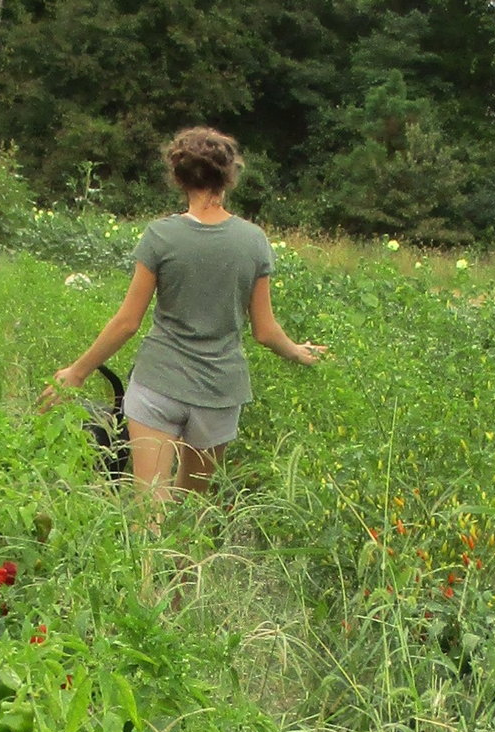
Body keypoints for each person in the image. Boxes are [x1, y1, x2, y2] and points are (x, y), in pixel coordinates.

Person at [43, 126, 324, 496]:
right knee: (191, 508)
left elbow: (128, 323)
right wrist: (298, 353)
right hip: (219, 392)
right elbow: (265, 331)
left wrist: (78, 372)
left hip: (158, 384)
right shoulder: (253, 240)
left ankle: (147, 557)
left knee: (150, 511)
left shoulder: (161, 236)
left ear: (178, 177)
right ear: (229, 176)